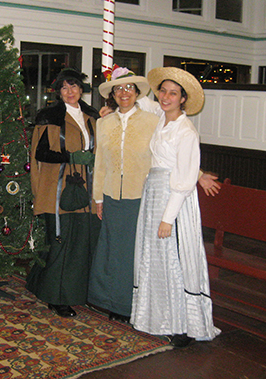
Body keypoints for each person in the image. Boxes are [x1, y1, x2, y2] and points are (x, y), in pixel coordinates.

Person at [131, 67, 221, 347]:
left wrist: (168, 218)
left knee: (174, 259)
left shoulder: (186, 130)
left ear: (183, 99)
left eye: (173, 93)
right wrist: (117, 93)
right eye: (163, 91)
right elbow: (139, 101)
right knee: (155, 258)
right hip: (154, 194)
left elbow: (182, 176)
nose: (166, 96)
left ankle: (182, 325)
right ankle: (157, 318)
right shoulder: (162, 120)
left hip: (174, 201)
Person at [26, 68, 101, 317]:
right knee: (60, 244)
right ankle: (55, 296)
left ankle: (78, 292)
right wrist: (70, 157)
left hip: (86, 191)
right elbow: (41, 152)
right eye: (65, 88)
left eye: (74, 87)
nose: (70, 92)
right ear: (59, 92)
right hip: (56, 190)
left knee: (81, 244)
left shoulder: (92, 117)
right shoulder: (49, 117)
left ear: (81, 89)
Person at [88, 67, 159, 323]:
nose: (124, 93)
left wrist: (198, 174)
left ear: (137, 92)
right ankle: (109, 300)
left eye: (129, 88)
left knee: (132, 253)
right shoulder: (104, 122)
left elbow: (167, 157)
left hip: (139, 197)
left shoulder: (153, 123)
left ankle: (131, 304)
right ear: (113, 95)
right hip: (110, 197)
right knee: (110, 250)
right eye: (119, 88)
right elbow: (100, 163)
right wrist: (98, 198)